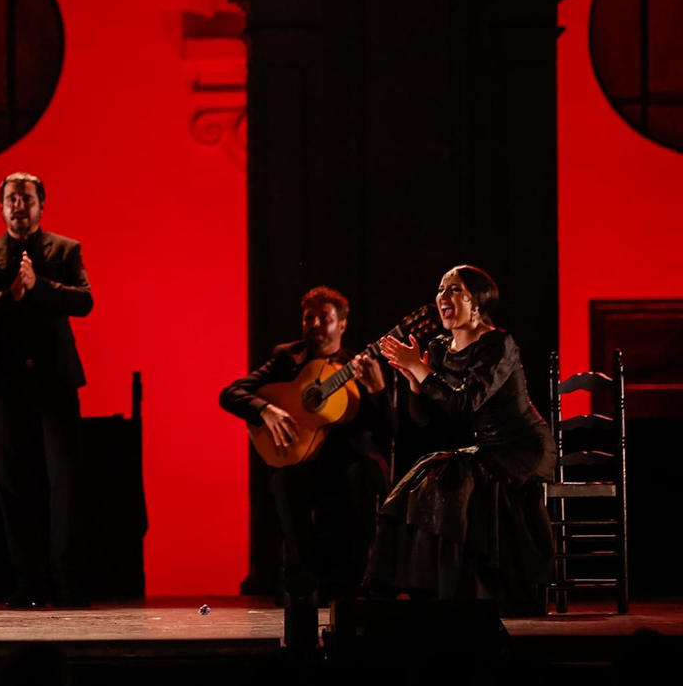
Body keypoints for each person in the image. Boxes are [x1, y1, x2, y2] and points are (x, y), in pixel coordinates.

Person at [366, 264, 555, 615]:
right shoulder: (441, 347)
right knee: (421, 478)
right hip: (486, 447)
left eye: (454, 289)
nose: (443, 296)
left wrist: (423, 372)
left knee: (453, 482)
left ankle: (471, 591)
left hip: (522, 447)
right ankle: (426, 588)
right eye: (440, 289)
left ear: (478, 301)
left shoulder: (498, 344)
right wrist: (413, 379)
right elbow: (431, 419)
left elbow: (466, 401)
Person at [0, 172, 92, 608]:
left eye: (27, 199)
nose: (19, 205)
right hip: (6, 383)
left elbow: (84, 300)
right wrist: (10, 295)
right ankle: (28, 582)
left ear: (40, 205)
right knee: (13, 484)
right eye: (12, 199)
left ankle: (66, 582)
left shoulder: (65, 249)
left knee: (64, 482)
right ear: (1, 206)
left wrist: (41, 287)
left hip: (54, 379)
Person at [219, 286, 391, 603]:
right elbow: (230, 393)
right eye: (308, 317)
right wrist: (264, 410)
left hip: (349, 463)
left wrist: (378, 393)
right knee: (284, 479)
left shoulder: (358, 365)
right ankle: (303, 582)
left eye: (323, 318)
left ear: (342, 324)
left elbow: (385, 431)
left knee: (364, 474)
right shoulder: (287, 359)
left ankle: (357, 582)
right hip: (306, 465)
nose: (313, 324)